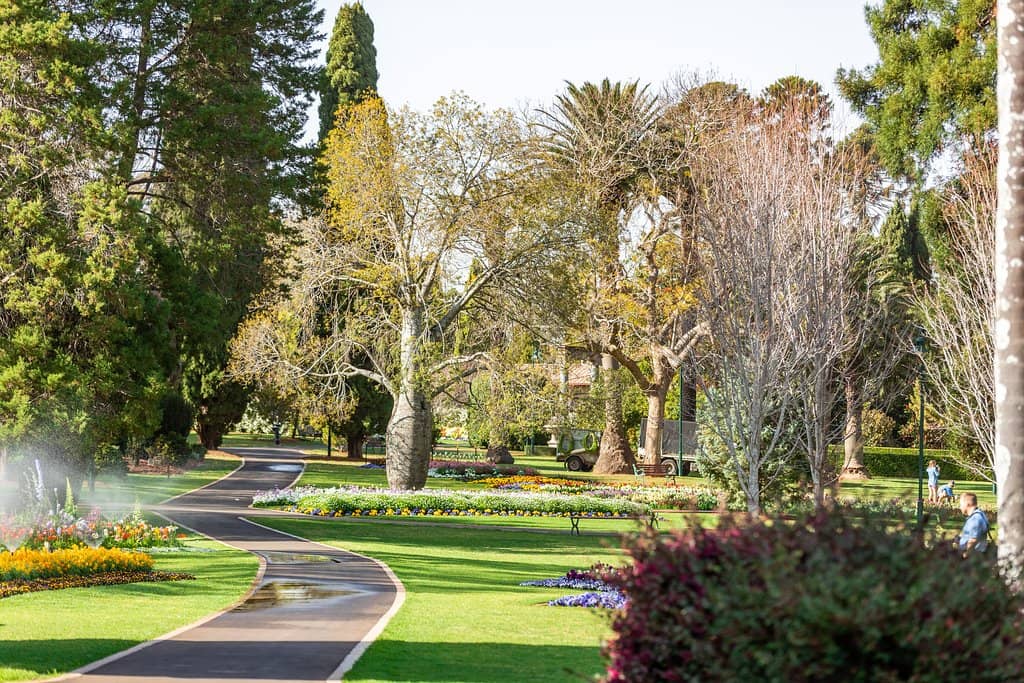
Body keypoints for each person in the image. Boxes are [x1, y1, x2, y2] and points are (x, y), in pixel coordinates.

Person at [956, 492, 990, 558]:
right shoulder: (979, 514)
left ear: (967, 504)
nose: (960, 507)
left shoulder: (975, 519)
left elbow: (973, 540)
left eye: (961, 504)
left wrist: (966, 555)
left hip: (974, 555)